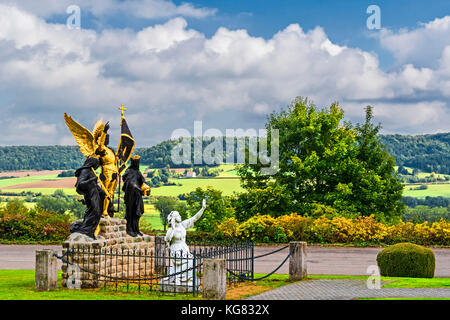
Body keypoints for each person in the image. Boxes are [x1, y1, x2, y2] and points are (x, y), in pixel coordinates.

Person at [162, 199, 206, 287]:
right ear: (174, 218)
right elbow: (166, 240)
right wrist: (171, 233)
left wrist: (202, 208)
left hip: (184, 248)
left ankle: (184, 278)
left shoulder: (183, 225)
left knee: (191, 261)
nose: (180, 216)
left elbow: (194, 218)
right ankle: (179, 278)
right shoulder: (171, 230)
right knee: (189, 261)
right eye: (178, 215)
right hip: (176, 250)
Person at [70, 157, 105, 239]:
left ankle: (90, 231)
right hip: (90, 195)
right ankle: (86, 230)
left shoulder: (91, 171)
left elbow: (95, 185)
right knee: (94, 211)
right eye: (96, 165)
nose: (97, 167)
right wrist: (92, 179)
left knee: (97, 212)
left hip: (95, 194)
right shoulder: (85, 171)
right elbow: (81, 184)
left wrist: (102, 192)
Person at [122, 155, 150, 237]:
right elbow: (128, 182)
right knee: (130, 212)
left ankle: (136, 229)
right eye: (136, 162)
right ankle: (129, 229)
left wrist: (146, 188)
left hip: (137, 195)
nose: (137, 164)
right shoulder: (128, 171)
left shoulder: (138, 172)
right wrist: (135, 187)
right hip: (131, 196)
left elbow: (142, 182)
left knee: (137, 212)